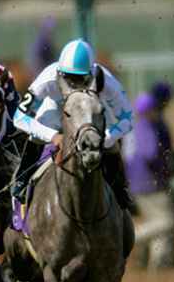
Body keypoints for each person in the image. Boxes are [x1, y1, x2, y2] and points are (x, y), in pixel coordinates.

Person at [11, 38, 135, 209]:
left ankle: (120, 190)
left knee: (110, 141)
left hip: (88, 110)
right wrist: (52, 136)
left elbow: (129, 118)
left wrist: (106, 138)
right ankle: (22, 181)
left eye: (80, 79)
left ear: (92, 74)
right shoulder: (47, 77)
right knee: (38, 130)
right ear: (59, 73)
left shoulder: (105, 80)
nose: (73, 84)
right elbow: (19, 117)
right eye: (68, 78)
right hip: (57, 108)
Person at [125, 92, 174, 267]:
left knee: (157, 221)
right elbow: (150, 153)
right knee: (166, 221)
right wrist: (165, 166)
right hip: (148, 183)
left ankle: (159, 262)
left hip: (137, 181)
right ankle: (127, 238)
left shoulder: (136, 124)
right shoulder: (146, 125)